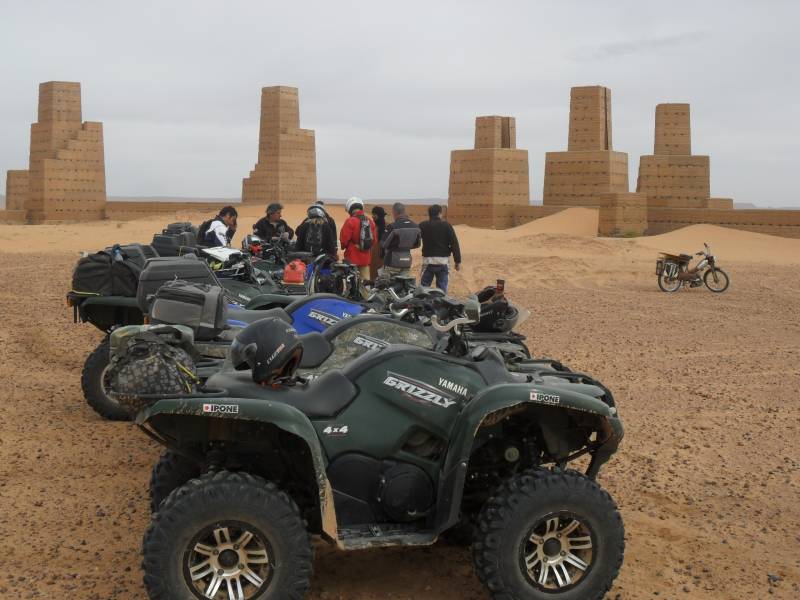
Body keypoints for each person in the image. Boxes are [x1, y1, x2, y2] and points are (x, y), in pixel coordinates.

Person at [418, 204, 461, 292]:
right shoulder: (447, 226)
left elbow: (415, 240)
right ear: (439, 213)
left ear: (429, 214)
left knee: (423, 289)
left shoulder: (422, 225)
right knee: (442, 290)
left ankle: (422, 304)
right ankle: (440, 304)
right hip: (443, 261)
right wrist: (457, 261)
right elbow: (454, 244)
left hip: (428, 261)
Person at [379, 202, 421, 279]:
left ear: (394, 212)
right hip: (407, 261)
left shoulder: (392, 226)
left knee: (384, 285)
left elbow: (383, 244)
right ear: (404, 211)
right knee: (403, 285)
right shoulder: (415, 226)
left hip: (392, 261)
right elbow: (418, 244)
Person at [339, 196, 377, 280]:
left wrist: (347, 246)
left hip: (352, 258)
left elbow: (344, 240)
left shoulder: (350, 221)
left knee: (352, 282)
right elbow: (374, 241)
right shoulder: (370, 221)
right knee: (365, 284)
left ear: (350, 209)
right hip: (366, 258)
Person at [369, 206, 388, 280]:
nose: (373, 216)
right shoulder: (372, 226)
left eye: (375, 214)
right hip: (373, 254)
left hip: (382, 255)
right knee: (373, 276)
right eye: (372, 214)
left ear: (379, 215)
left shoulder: (387, 227)